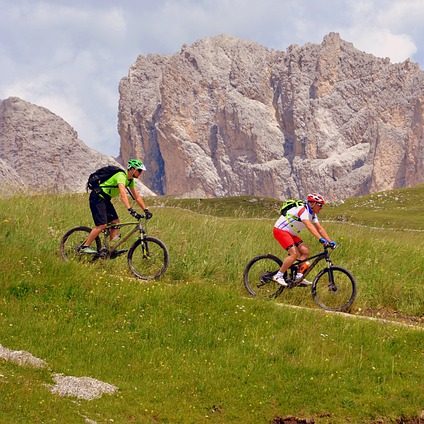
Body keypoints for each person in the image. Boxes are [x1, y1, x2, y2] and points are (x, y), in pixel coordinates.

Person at [79, 159, 153, 254]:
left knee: (116, 222)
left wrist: (145, 209)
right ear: (133, 169)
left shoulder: (130, 181)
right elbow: (123, 194)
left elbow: (137, 197)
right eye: (139, 170)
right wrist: (130, 209)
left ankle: (111, 249)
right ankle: (84, 247)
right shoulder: (121, 176)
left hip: (105, 199)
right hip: (97, 197)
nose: (141, 173)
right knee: (102, 225)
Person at [272, 193, 336, 287]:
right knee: (294, 254)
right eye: (320, 205)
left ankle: (298, 276)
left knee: (305, 251)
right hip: (281, 230)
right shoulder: (303, 210)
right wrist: (321, 239)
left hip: (291, 233)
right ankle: (278, 275)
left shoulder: (313, 214)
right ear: (313, 204)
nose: (321, 207)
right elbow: (309, 225)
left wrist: (330, 241)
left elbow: (320, 228)